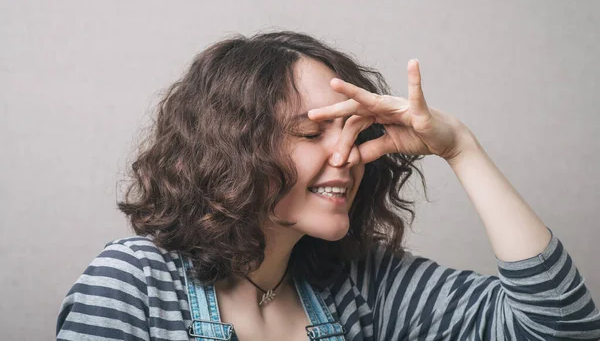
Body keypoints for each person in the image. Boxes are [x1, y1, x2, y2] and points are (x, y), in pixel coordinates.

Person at [56, 31, 600, 341]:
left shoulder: (365, 284)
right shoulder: (133, 283)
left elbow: (559, 330)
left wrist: (460, 148)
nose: (346, 156)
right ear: (231, 149)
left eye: (355, 133)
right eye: (311, 132)